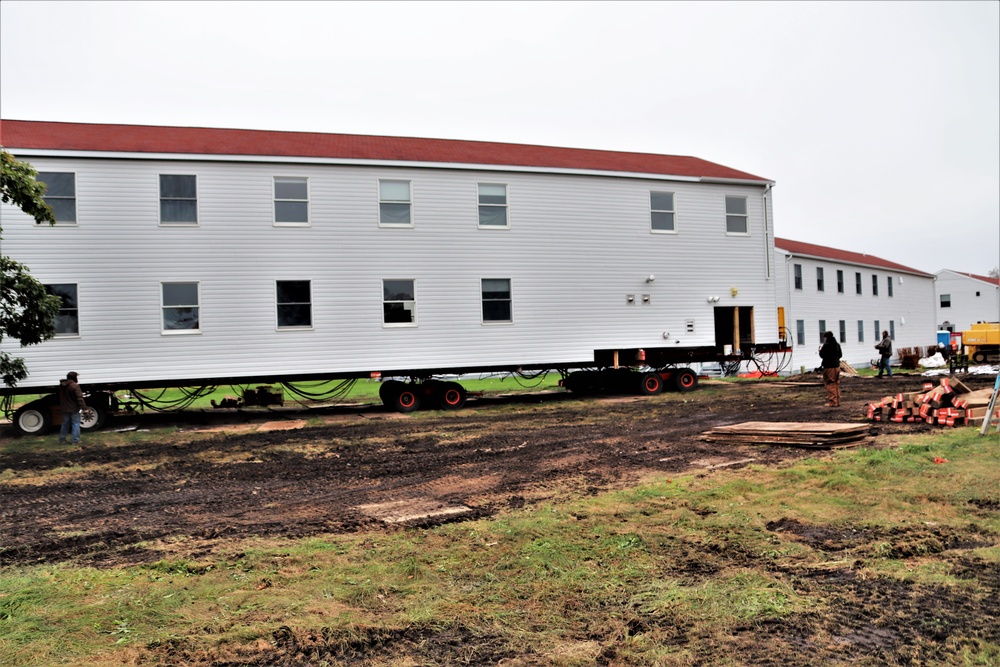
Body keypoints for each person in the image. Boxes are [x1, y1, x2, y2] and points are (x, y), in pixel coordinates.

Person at [58, 371, 86, 445]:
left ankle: (62, 440)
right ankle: (75, 440)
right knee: (75, 424)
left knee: (65, 424)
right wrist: (84, 408)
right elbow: (79, 398)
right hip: (74, 408)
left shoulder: (62, 385)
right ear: (74, 377)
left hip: (64, 408)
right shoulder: (75, 386)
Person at [819, 331, 842, 407]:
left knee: (830, 383)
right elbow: (841, 355)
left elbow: (822, 355)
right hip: (837, 366)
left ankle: (832, 402)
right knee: (836, 383)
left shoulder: (826, 345)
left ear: (826, 337)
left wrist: (820, 351)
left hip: (829, 367)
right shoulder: (837, 345)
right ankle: (837, 401)